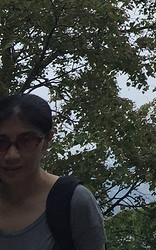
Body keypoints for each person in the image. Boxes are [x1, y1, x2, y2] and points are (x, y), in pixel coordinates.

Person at [0, 93, 107, 249]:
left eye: (26, 141)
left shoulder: (72, 202)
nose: (12, 155)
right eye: (1, 142)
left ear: (48, 140)